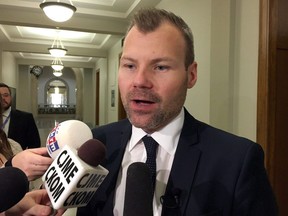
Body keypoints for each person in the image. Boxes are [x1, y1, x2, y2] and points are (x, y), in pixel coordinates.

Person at [77, 8, 278, 216]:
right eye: (129, 65)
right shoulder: (96, 143)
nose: (139, 81)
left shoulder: (237, 161)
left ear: (191, 75)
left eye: (161, 67)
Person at [0, 82, 41, 150]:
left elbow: (35, 145)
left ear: (11, 97)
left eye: (6, 95)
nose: (2, 98)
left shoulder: (26, 118)